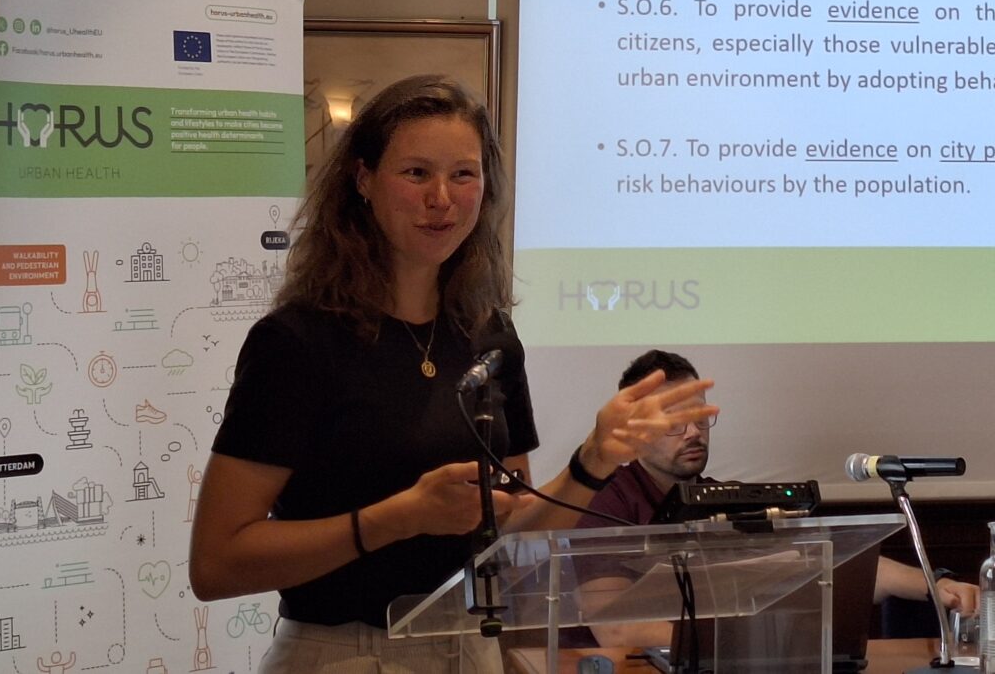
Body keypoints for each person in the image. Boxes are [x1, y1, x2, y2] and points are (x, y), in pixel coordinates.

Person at [187, 75, 714, 673]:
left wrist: (592, 461)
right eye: (416, 173)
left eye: (463, 174)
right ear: (363, 179)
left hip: (469, 647)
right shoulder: (297, 343)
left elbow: (510, 539)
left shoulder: (489, 337)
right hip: (346, 654)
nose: (442, 198)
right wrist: (399, 517)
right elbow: (216, 564)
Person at [579, 349, 977, 642]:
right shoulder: (603, 501)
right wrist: (745, 642)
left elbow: (825, 563)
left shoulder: (719, 499)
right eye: (675, 422)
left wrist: (937, 586)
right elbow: (616, 631)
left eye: (700, 418)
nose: (694, 433)